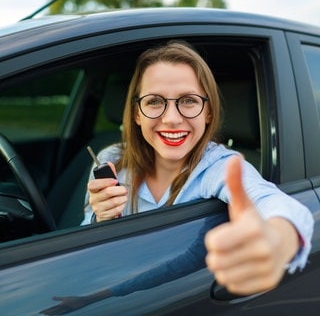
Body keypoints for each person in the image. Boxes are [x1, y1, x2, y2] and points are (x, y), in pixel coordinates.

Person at [40, 40, 314, 315]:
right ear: (136, 113)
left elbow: (271, 201)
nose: (171, 118)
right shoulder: (110, 159)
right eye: (155, 101)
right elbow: (87, 251)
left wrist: (279, 239)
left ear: (208, 112)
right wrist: (101, 218)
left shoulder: (220, 166)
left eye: (188, 101)